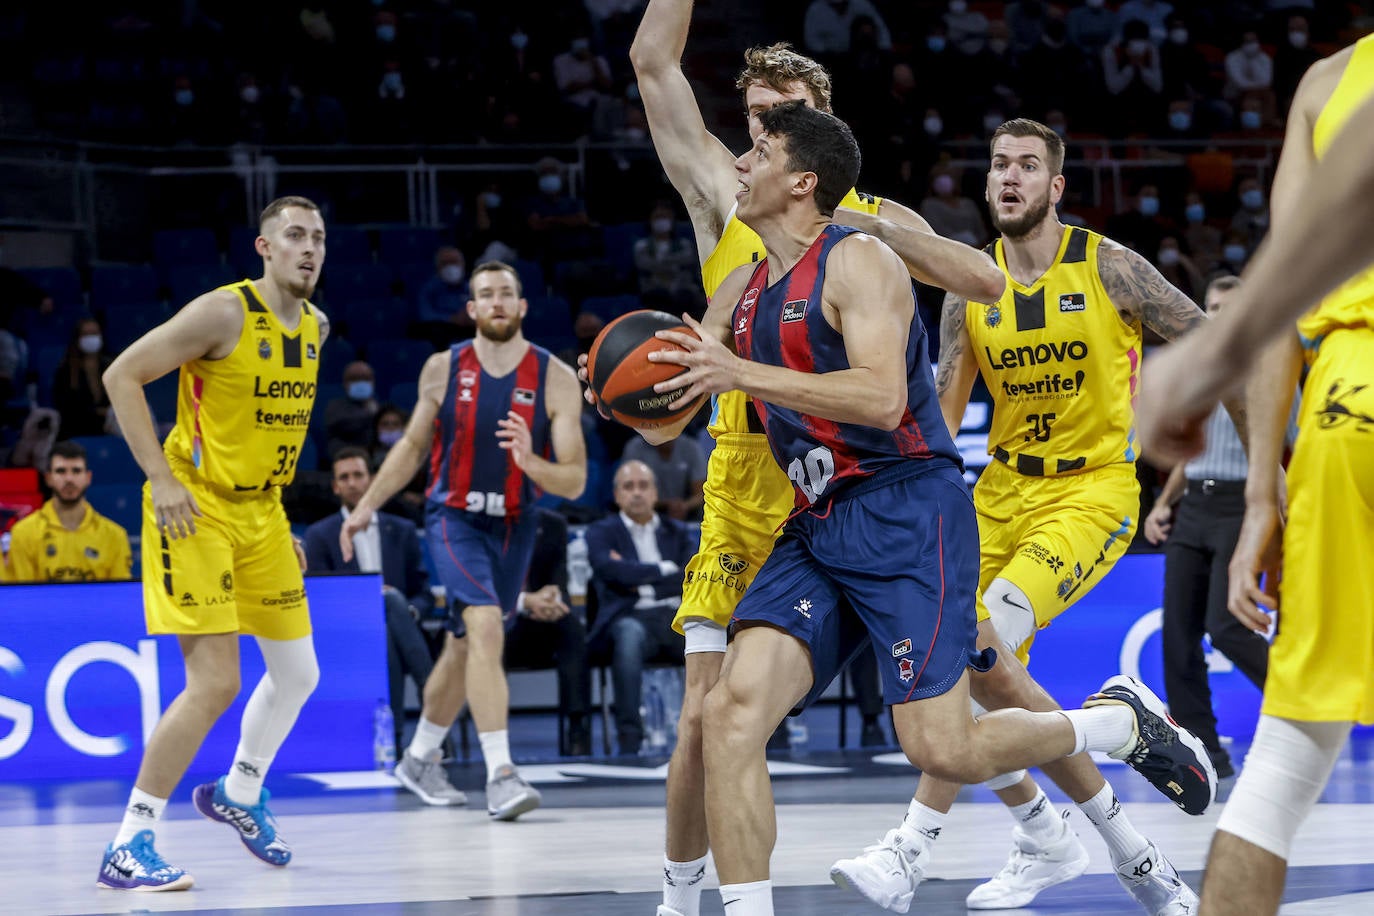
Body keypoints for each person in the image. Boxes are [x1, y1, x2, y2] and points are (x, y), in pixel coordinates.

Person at [634, 101, 1214, 916]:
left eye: (757, 150)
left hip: (909, 511)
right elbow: (687, 390)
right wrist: (635, 393)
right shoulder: (740, 282)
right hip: (820, 519)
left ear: (803, 181)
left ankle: (1111, 727)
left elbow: (877, 397)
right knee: (728, 715)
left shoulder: (860, 259)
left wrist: (740, 376)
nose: (738, 162)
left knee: (941, 743)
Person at [629, 4, 1007, 911]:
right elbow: (650, 61)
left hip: (875, 474)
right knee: (709, 719)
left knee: (971, 706)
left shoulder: (863, 233)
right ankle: (686, 901)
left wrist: (860, 227)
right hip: (753, 479)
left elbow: (988, 280)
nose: (755, 133)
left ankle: (1074, 806)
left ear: (816, 130)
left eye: (778, 117)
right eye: (751, 115)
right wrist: (649, 394)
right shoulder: (729, 193)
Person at [833, 118, 1227, 914]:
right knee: (984, 678)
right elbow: (940, 416)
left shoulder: (1111, 267)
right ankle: (1129, 856)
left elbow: (1221, 343)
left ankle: (913, 846)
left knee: (979, 651)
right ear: (987, 185)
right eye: (997, 165)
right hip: (996, 493)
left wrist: (1202, 430)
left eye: (1026, 166)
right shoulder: (970, 289)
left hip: (1090, 493)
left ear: (1054, 187)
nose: (1008, 177)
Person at [1134, 40, 1374, 916]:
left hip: (1348, 398)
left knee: (1284, 763)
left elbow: (1292, 281)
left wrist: (1268, 493)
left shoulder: (1327, 82)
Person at [96, 196, 330, 890]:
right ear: (264, 248)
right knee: (217, 682)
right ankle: (130, 840)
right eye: (294, 235)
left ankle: (241, 791)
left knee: (299, 674)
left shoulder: (317, 326)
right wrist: (162, 480)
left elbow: (267, 431)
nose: (308, 248)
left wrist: (278, 520)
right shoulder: (222, 311)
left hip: (263, 515)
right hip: (193, 510)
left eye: (317, 237)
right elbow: (121, 376)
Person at [340, 260, 585, 818]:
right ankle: (501, 772)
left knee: (462, 646)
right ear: (471, 309)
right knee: (482, 623)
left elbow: (571, 479)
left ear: (522, 307)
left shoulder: (554, 377)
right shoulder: (442, 368)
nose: (497, 302)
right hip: (453, 518)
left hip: (516, 524)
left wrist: (531, 462)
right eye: (485, 295)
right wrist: (366, 508)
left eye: (507, 294)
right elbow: (409, 449)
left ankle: (421, 755)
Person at [1143, 274, 1273, 781]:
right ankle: (1203, 753)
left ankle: (1299, 703)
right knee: (1178, 637)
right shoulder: (1197, 370)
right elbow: (1191, 450)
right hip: (1194, 505)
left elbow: (1297, 446)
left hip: (1242, 506)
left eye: (1230, 308)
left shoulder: (1272, 365)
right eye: (1212, 308)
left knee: (1227, 627)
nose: (1218, 317)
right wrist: (1164, 503)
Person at [302, 447, 435, 754]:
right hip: (349, 635)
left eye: (358, 475)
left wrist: (407, 609)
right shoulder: (320, 535)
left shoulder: (401, 530)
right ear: (335, 486)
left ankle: (396, 741)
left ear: (372, 480)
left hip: (402, 630)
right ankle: (432, 708)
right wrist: (368, 605)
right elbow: (321, 600)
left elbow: (425, 593)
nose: (352, 483)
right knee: (387, 609)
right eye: (344, 477)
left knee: (391, 620)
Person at [585, 460, 694, 755]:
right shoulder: (600, 533)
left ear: (655, 493)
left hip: (676, 615)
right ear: (617, 495)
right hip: (629, 617)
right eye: (628, 487)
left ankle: (706, 733)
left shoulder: (679, 532)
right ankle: (630, 739)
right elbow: (609, 570)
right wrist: (663, 569)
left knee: (710, 632)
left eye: (643, 486)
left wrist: (636, 576)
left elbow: (689, 575)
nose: (636, 493)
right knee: (629, 637)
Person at [502, 505, 592, 757]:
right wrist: (523, 601)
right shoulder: (482, 523)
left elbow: (558, 579)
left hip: (540, 620)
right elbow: (482, 587)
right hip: (499, 621)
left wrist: (552, 601)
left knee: (571, 627)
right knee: (489, 633)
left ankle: (578, 727)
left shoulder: (553, 524)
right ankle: (494, 735)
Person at [0, 439, 130, 582]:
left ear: (88, 477)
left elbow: (119, 597)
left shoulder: (114, 537)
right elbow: (21, 598)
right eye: (61, 471)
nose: (69, 479)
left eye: (76, 471)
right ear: (48, 478)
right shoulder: (23, 533)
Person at [53, 316, 115, 440]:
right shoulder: (66, 370)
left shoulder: (111, 364)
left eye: (94, 333)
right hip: (77, 427)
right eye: (86, 334)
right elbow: (66, 407)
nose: (91, 338)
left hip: (109, 425)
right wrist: (99, 412)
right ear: (77, 339)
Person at [621, 434, 706, 521]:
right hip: (646, 513)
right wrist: (667, 504)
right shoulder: (635, 448)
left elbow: (700, 493)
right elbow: (630, 492)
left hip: (687, 514)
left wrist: (684, 506)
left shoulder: (691, 447)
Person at [412, 245, 475, 350]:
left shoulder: (471, 288)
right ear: (437, 267)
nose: (450, 267)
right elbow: (425, 315)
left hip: (468, 328)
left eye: (454, 262)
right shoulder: (429, 289)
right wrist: (451, 319)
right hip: (442, 330)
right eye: (445, 263)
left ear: (463, 265)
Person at [324, 360, 379, 459]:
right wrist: (372, 414)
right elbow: (345, 424)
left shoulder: (378, 406)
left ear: (373, 382)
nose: (361, 383)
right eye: (355, 379)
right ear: (345, 383)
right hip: (342, 459)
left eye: (366, 379)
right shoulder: (335, 407)